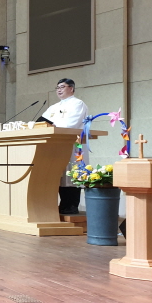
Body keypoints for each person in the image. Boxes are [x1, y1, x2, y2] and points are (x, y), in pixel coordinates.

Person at [42, 78, 88, 214]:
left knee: (72, 175)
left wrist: (53, 125)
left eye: (62, 87)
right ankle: (62, 206)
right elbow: (43, 122)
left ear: (71, 88)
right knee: (60, 175)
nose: (59, 90)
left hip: (73, 144)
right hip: (56, 145)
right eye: (57, 88)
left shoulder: (77, 104)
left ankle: (71, 206)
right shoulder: (53, 107)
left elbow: (70, 124)